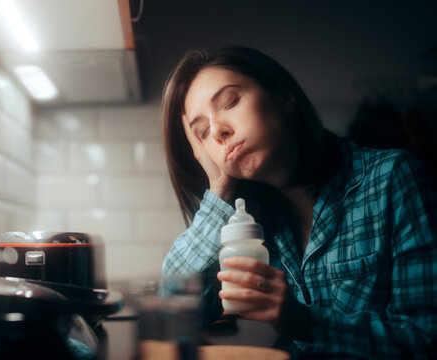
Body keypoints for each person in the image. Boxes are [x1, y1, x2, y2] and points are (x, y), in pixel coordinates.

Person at [161, 45, 437, 359]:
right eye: (203, 132)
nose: (219, 131)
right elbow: (173, 312)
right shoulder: (254, 221)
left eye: (231, 102)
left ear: (284, 97)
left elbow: (426, 340)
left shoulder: (393, 179)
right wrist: (219, 190)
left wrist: (304, 322)